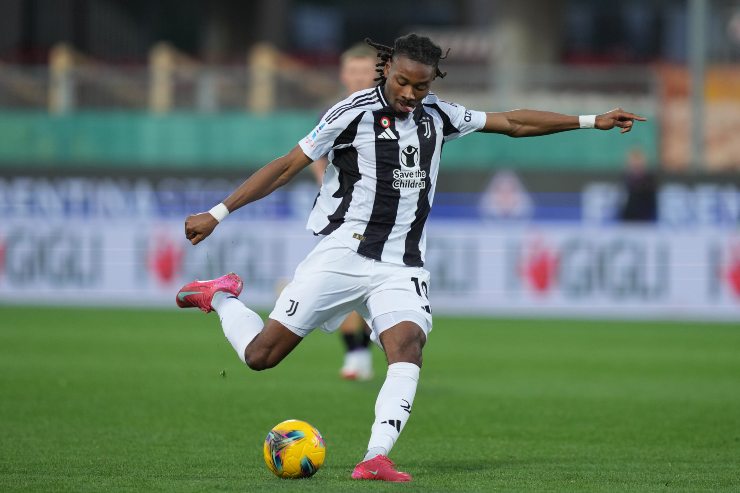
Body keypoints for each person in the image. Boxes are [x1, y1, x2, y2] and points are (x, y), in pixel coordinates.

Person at [176, 33, 645, 482]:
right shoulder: (350, 113)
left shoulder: (438, 115)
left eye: (420, 86)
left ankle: (375, 457)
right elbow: (285, 166)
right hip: (344, 253)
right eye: (402, 82)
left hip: (401, 265)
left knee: (407, 347)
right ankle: (219, 296)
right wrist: (218, 213)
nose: (409, 94)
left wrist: (591, 120)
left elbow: (512, 123)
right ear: (387, 70)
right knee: (261, 356)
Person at [310, 42, 378, 382]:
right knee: (342, 281)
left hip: (382, 216)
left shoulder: (390, 111)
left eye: (365, 71)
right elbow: (313, 155)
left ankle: (360, 354)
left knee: (367, 285)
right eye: (353, 71)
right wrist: (331, 190)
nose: (359, 77)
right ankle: (358, 354)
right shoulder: (334, 112)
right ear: (343, 74)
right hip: (343, 216)